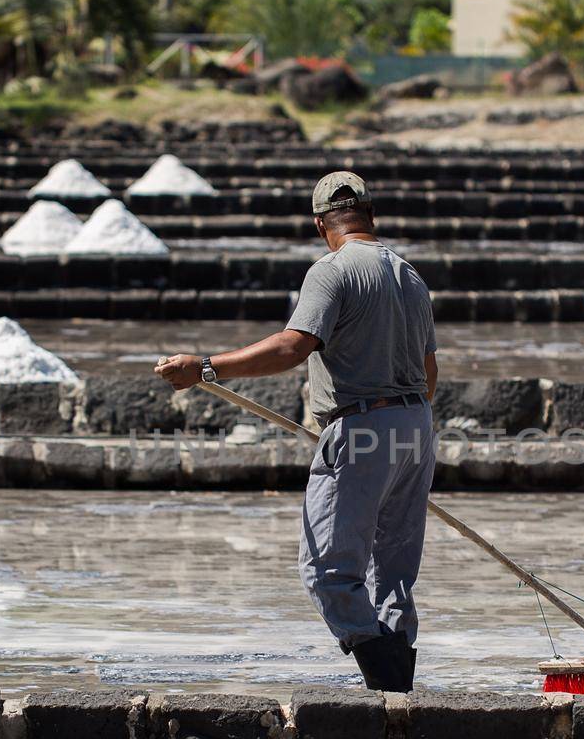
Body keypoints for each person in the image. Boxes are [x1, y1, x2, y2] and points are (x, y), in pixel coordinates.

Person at [155, 171, 438, 692]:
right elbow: (431, 374)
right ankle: (402, 698)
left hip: (362, 428)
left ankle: (389, 687)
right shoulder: (410, 276)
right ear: (371, 215)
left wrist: (206, 366)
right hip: (416, 428)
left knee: (328, 571)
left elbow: (293, 346)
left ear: (319, 225)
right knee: (392, 574)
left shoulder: (331, 271)